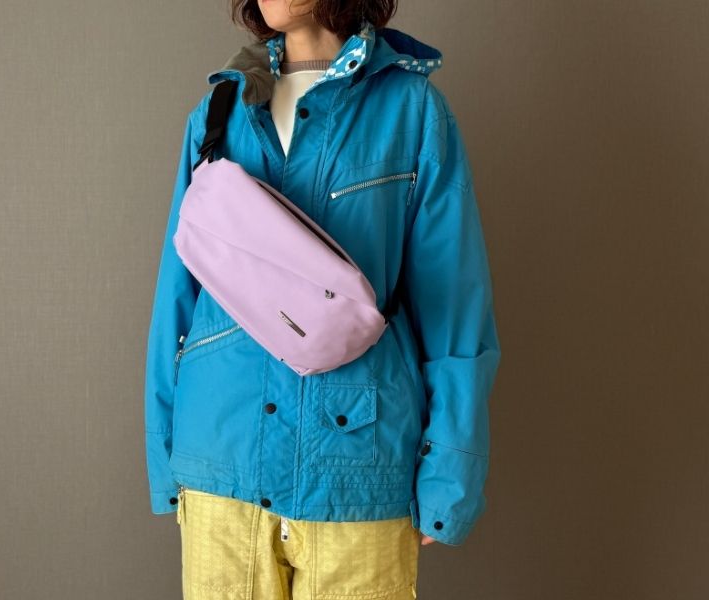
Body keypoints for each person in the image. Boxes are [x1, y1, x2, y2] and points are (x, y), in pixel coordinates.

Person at [144, 0, 501, 597]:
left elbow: (454, 303)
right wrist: (165, 451)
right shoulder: (219, 111)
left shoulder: (412, 112)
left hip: (357, 466)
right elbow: (177, 296)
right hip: (221, 459)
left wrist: (449, 472)